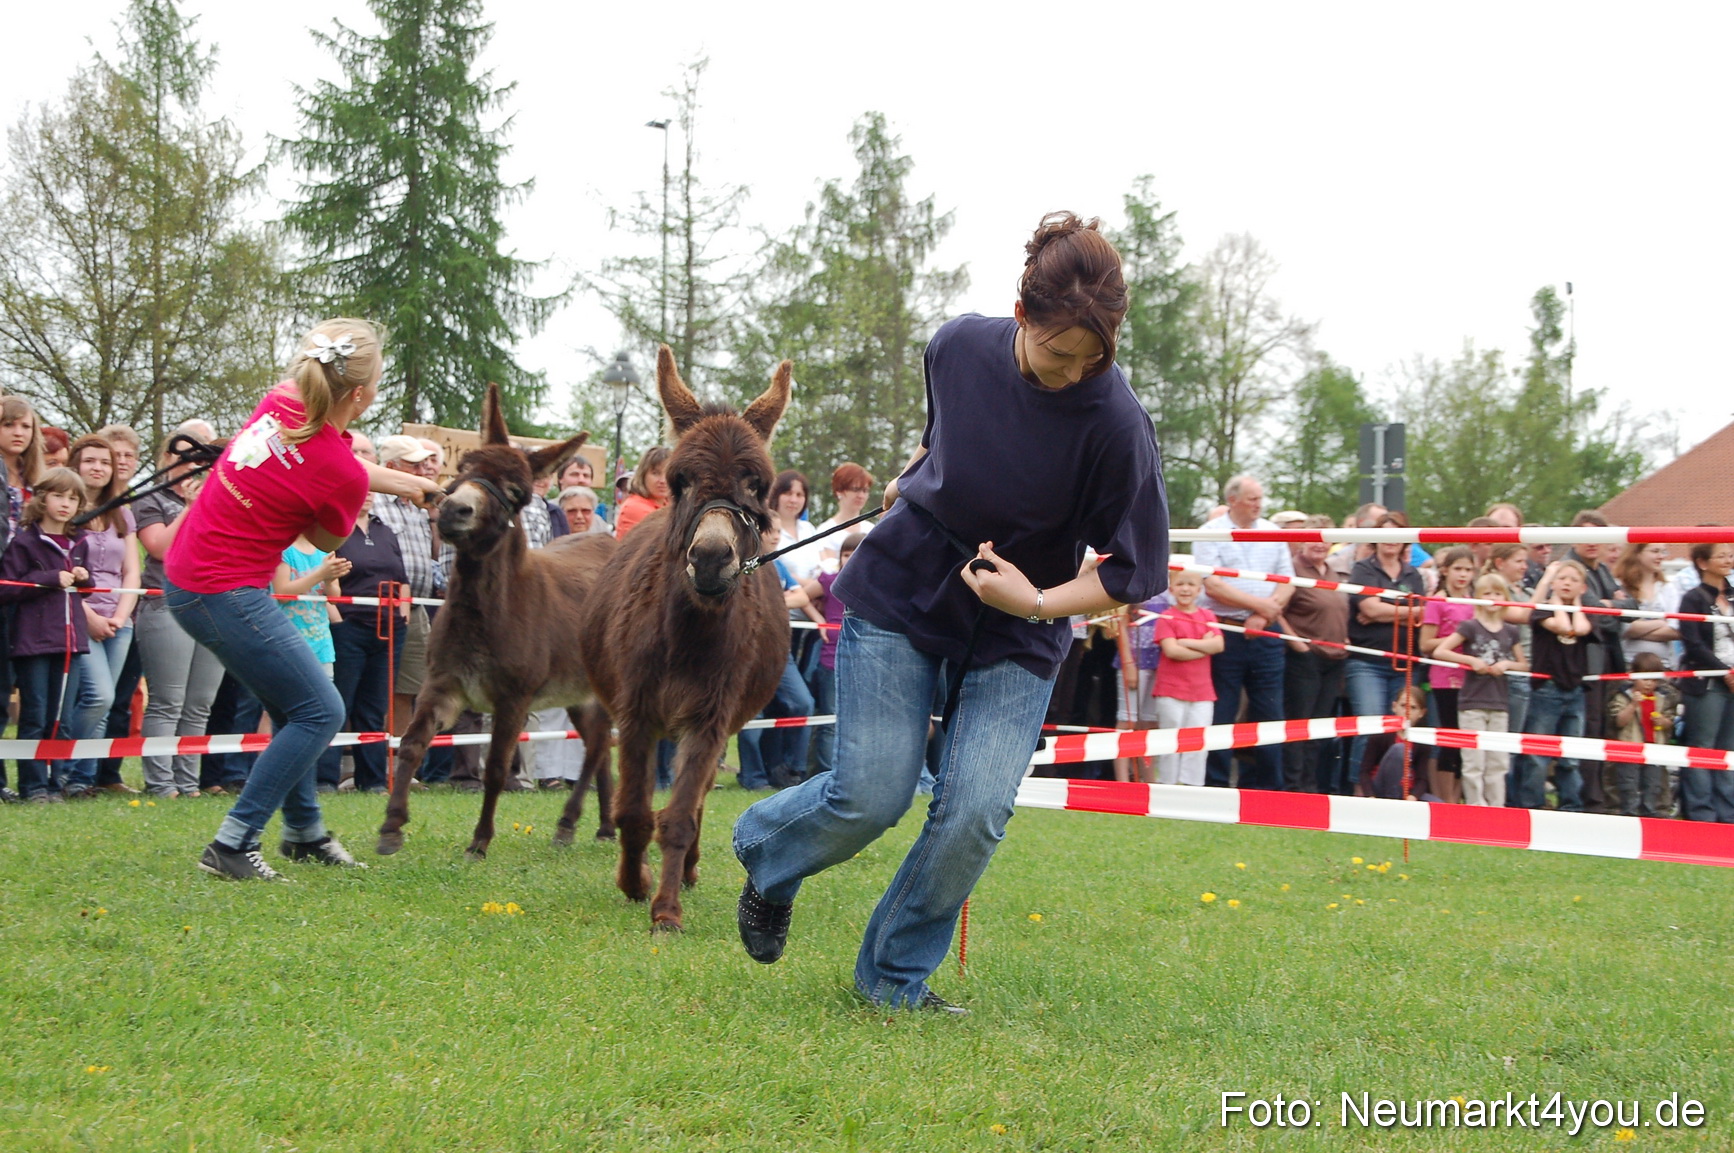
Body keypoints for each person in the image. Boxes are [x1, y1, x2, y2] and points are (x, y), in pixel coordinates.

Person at [732, 211, 1168, 1012]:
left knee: (974, 810)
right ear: (1021, 314)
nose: (1075, 372)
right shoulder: (956, 345)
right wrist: (916, 473)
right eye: (1059, 353)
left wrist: (1036, 601)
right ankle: (767, 849)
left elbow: (1134, 571)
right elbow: (945, 434)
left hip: (1018, 625)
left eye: (1095, 357)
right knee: (873, 794)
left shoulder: (1118, 425)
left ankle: (893, 977)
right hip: (904, 587)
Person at [162, 318, 439, 881]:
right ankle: (233, 842)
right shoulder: (341, 475)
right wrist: (373, 486)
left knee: (296, 706)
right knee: (322, 710)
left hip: (190, 576)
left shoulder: (283, 402)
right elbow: (321, 537)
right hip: (223, 590)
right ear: (360, 395)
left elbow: (332, 463)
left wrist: (408, 484)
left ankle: (304, 831)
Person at [135, 425, 225, 798]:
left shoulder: (221, 497)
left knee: (200, 702)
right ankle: (161, 783)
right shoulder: (151, 498)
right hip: (166, 604)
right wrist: (189, 508)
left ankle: (188, 782)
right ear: (168, 457)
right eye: (185, 454)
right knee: (168, 700)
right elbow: (159, 547)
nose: (194, 463)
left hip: (213, 605)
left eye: (202, 455)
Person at [1193, 475, 1292, 789]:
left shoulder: (1273, 532)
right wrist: (1260, 608)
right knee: (1222, 709)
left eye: (1260, 499)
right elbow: (1213, 585)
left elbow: (1287, 580)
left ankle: (1268, 787)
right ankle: (1216, 784)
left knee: (1270, 710)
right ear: (1233, 500)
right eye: (1252, 499)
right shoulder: (1210, 533)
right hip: (1226, 631)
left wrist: (1262, 616)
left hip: (1266, 634)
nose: (1258, 505)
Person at [0, 469, 94, 800]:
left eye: (73, 498)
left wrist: (84, 578)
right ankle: (33, 785)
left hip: (71, 643)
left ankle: (56, 782)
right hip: (33, 642)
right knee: (35, 714)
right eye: (58, 496)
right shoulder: (25, 542)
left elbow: (88, 590)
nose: (65, 504)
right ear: (42, 499)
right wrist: (50, 578)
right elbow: (7, 588)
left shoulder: (80, 541)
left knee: (62, 718)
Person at [58, 435, 141, 796]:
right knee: (97, 697)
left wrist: (121, 617)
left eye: (105, 462)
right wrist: (89, 616)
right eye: (90, 460)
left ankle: (83, 779)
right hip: (78, 614)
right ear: (76, 464)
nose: (98, 468)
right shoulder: (66, 510)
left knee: (106, 704)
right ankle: (61, 768)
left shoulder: (122, 512)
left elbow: (132, 571)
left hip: (119, 618)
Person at [313, 493, 409, 794]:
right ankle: (325, 778)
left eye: (371, 489)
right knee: (339, 704)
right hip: (349, 625)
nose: (366, 494)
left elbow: (402, 578)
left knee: (375, 706)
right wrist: (338, 619)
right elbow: (321, 575)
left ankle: (373, 780)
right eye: (361, 489)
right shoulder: (334, 530)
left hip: (389, 629)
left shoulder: (385, 530)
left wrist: (403, 614)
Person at [1343, 514, 1426, 790]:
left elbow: (1423, 614)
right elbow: (1369, 609)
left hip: (1405, 662)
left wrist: (1383, 613)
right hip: (1367, 661)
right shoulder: (1363, 569)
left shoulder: (1413, 574)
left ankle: (1394, 790)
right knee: (1370, 728)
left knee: (1402, 730)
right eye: (1385, 533)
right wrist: (1403, 612)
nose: (1391, 540)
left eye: (1397, 534)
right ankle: (1360, 792)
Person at [1434, 573, 1525, 806]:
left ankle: (1496, 807)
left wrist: (1507, 665)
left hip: (1500, 703)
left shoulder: (1511, 631)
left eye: (1498, 593)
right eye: (1487, 593)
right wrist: (1470, 660)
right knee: (1473, 761)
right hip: (1471, 703)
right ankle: (1475, 806)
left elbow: (1524, 664)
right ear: (1477, 598)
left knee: (1498, 762)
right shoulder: (1469, 627)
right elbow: (1440, 651)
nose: (1493, 598)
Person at [1515, 560, 1594, 810]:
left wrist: (1576, 605)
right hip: (1546, 689)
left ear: (1583, 588)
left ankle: (1571, 805)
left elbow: (1579, 628)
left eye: (1574, 580)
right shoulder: (1543, 610)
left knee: (1571, 756)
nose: (1567, 583)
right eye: (1562, 578)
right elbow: (1562, 627)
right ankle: (1532, 804)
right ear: (1553, 584)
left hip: (1575, 690)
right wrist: (1557, 602)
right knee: (1538, 754)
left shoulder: (1584, 613)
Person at [1279, 520, 1349, 792]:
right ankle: (1293, 787)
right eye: (1313, 538)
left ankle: (1310, 785)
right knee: (1299, 723)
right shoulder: (1292, 569)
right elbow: (1278, 611)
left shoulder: (1333, 571)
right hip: (1305, 658)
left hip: (1335, 658)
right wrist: (1297, 644)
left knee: (1318, 727)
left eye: (1324, 538)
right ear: (1302, 540)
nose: (1320, 544)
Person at [1676, 541, 1734, 823]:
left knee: (1728, 749)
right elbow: (1693, 644)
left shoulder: (1732, 597)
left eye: (1730, 555)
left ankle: (1727, 815)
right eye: (1721, 555)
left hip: (1731, 682)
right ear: (1702, 562)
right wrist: (1725, 672)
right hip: (1707, 684)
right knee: (1703, 746)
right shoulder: (1692, 599)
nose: (1728, 560)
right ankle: (1702, 815)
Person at [800, 530, 864, 778]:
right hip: (830, 660)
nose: (850, 559)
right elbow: (802, 597)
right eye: (846, 554)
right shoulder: (830, 580)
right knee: (828, 721)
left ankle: (850, 772)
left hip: (863, 661)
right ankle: (826, 774)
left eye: (856, 553)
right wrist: (819, 620)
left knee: (856, 722)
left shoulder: (875, 585)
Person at [1419, 546, 1478, 803]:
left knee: (1467, 741)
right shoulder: (1437, 601)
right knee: (1448, 738)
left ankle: (1457, 798)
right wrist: (1457, 639)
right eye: (1458, 569)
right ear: (1445, 571)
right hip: (1445, 677)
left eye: (1468, 570)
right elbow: (1425, 643)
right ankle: (1445, 800)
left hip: (1472, 679)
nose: (1463, 575)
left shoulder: (1476, 601)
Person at [1151, 569, 1220, 786]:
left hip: (1202, 692)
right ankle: (1167, 784)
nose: (1185, 589)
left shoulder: (1208, 616)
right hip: (1171, 689)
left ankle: (1192, 786)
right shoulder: (1166, 617)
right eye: (1180, 584)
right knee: (1170, 739)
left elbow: (1218, 645)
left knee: (1199, 741)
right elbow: (1172, 651)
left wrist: (1185, 642)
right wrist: (1204, 647)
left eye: (1191, 585)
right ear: (1171, 589)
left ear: (1199, 590)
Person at [1606, 652, 1681, 818]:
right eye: (1645, 678)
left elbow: (1670, 722)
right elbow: (1619, 721)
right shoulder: (1623, 695)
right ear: (1633, 675)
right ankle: (1629, 813)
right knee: (1628, 785)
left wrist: (1663, 721)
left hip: (1654, 750)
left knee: (1653, 785)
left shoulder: (1663, 698)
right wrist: (1633, 704)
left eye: (1654, 680)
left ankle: (1650, 813)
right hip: (1630, 749)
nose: (1649, 683)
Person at [1611, 542, 1680, 668]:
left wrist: (1636, 630)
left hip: (1663, 666)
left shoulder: (1668, 588)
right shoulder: (1619, 587)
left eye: (1663, 551)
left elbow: (1676, 630)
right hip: (1628, 664)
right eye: (1655, 551)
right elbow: (1622, 628)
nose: (1661, 556)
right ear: (1637, 553)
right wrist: (1661, 622)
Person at [817, 463, 876, 569]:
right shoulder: (826, 530)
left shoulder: (872, 529)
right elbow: (829, 570)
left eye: (865, 490)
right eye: (855, 489)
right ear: (839, 491)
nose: (861, 495)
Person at [613, 446, 669, 538]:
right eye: (655, 473)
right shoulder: (634, 507)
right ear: (643, 475)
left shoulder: (668, 505)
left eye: (667, 473)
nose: (663, 480)